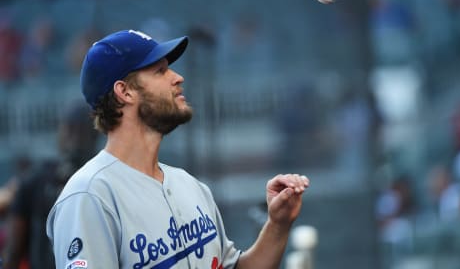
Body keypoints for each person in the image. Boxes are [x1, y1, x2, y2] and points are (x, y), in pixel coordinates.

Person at [46, 29, 310, 269]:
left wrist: (278, 224)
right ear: (124, 92)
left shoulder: (190, 186)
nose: (178, 77)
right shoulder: (90, 195)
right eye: (160, 71)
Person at [2, 101, 98, 269]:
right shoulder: (34, 180)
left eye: (81, 131)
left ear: (94, 135)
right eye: (70, 129)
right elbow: (13, 253)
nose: (74, 139)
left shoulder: (107, 180)